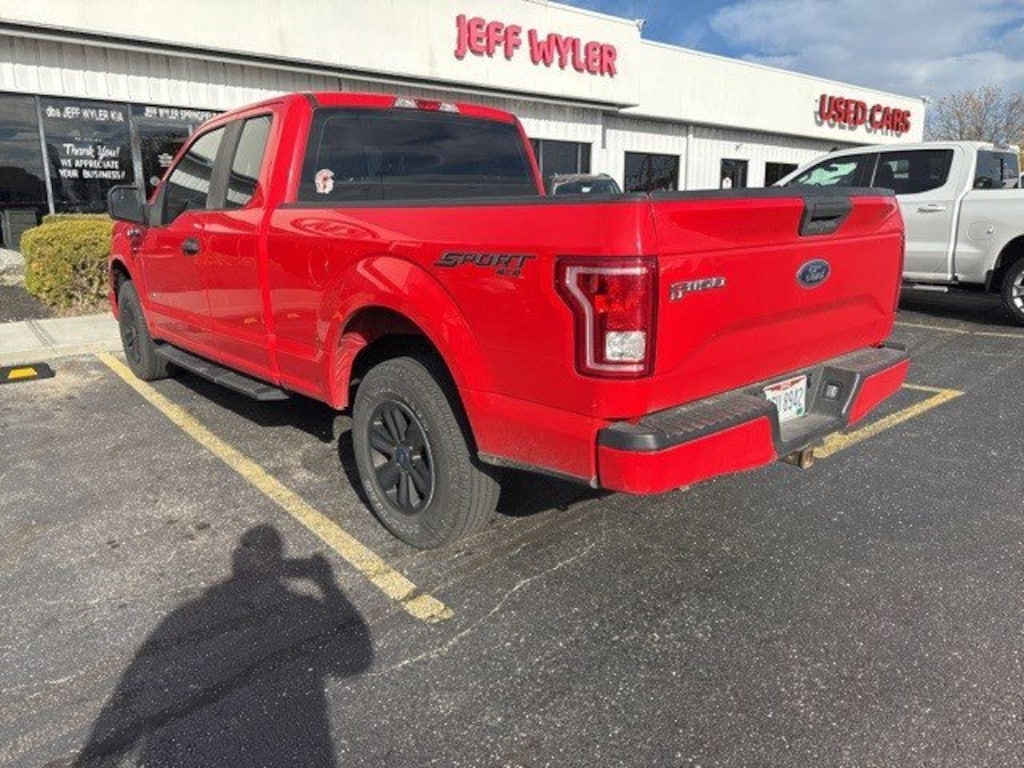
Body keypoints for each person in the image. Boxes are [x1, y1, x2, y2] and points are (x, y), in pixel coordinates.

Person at [74, 525, 373, 767]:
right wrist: (327, 584)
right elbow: (356, 660)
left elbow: (132, 692)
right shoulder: (301, 607)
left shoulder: (185, 615)